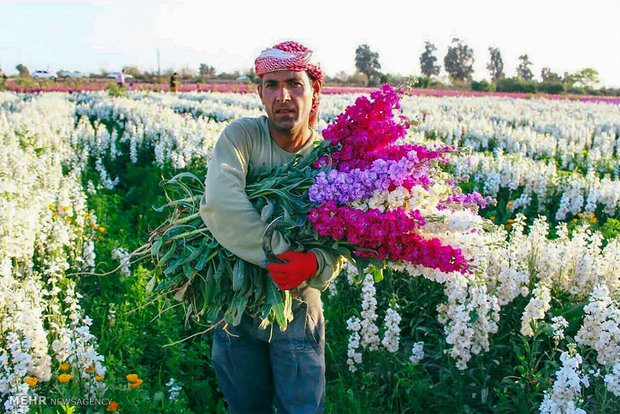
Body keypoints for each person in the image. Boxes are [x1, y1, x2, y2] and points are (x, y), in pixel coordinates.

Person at [199, 41, 343, 414]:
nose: (284, 96)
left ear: (314, 92)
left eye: (295, 84)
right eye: (272, 85)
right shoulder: (242, 137)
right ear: (260, 94)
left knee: (302, 408)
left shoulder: (327, 157)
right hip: (235, 304)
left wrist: (313, 265)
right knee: (246, 407)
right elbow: (221, 204)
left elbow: (345, 238)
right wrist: (282, 254)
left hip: (298, 304)